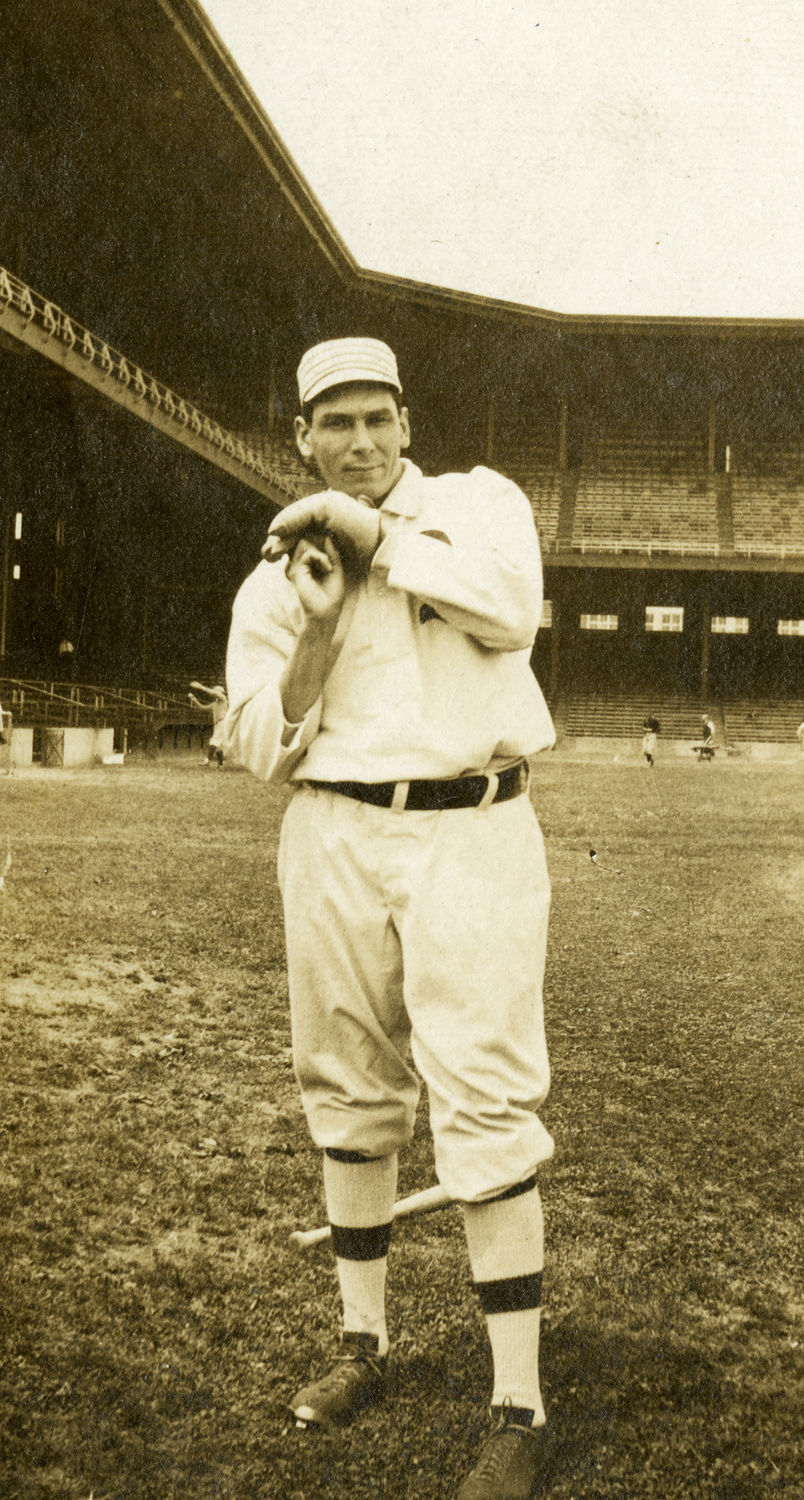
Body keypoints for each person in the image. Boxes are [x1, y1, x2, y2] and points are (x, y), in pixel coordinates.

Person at [224, 337, 557, 1500]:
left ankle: (516, 1402)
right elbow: (257, 746)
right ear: (300, 437)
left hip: (472, 823)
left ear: (406, 422)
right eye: (335, 424)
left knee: (483, 1092)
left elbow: (515, 612)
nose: (359, 442)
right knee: (346, 1084)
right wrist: (317, 624)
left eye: (377, 419)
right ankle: (362, 1343)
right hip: (331, 833)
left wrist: (378, 541)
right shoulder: (275, 577)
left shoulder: (476, 505)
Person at [187, 682, 228, 765]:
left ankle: (207, 761)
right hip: (218, 724)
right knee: (219, 746)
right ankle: (220, 765)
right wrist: (194, 700)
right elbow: (202, 708)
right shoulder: (214, 704)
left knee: (214, 741)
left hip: (222, 723)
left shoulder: (223, 698)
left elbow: (214, 693)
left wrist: (201, 687)